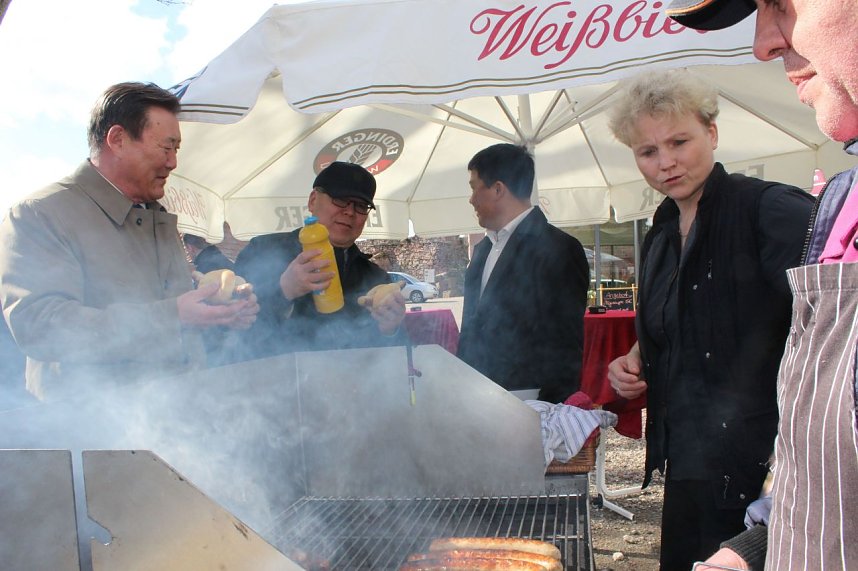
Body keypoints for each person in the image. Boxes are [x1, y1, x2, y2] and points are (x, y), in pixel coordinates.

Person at [662, 0, 858, 569]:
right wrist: (761, 546)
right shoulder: (843, 202)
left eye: (782, 2)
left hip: (736, 449)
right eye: (648, 150)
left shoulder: (771, 209)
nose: (763, 43)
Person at [605, 69, 814, 570]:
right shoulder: (658, 235)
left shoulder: (770, 209)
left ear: (712, 133)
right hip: (687, 464)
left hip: (765, 469)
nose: (666, 162)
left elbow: (834, 323)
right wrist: (636, 360)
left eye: (680, 141)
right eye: (648, 151)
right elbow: (678, 323)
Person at [0, 82, 259, 401]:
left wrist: (220, 310)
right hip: (93, 430)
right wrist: (173, 315)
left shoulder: (156, 217)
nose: (173, 162)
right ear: (118, 140)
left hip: (184, 416)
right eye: (166, 147)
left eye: (176, 149)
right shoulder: (39, 214)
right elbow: (42, 327)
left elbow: (174, 314)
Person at [456, 143, 589, 403]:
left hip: (529, 402)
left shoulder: (558, 248)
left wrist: (550, 411)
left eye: (474, 188)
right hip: (477, 398)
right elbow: (471, 327)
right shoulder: (483, 249)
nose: (471, 199)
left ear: (497, 189)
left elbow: (565, 343)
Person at [234, 161, 405, 358]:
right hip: (275, 384)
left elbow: (390, 361)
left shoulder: (375, 277)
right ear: (313, 200)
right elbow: (232, 335)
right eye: (340, 200)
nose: (350, 212)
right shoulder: (263, 251)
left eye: (360, 206)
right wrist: (283, 291)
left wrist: (391, 330)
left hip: (350, 386)